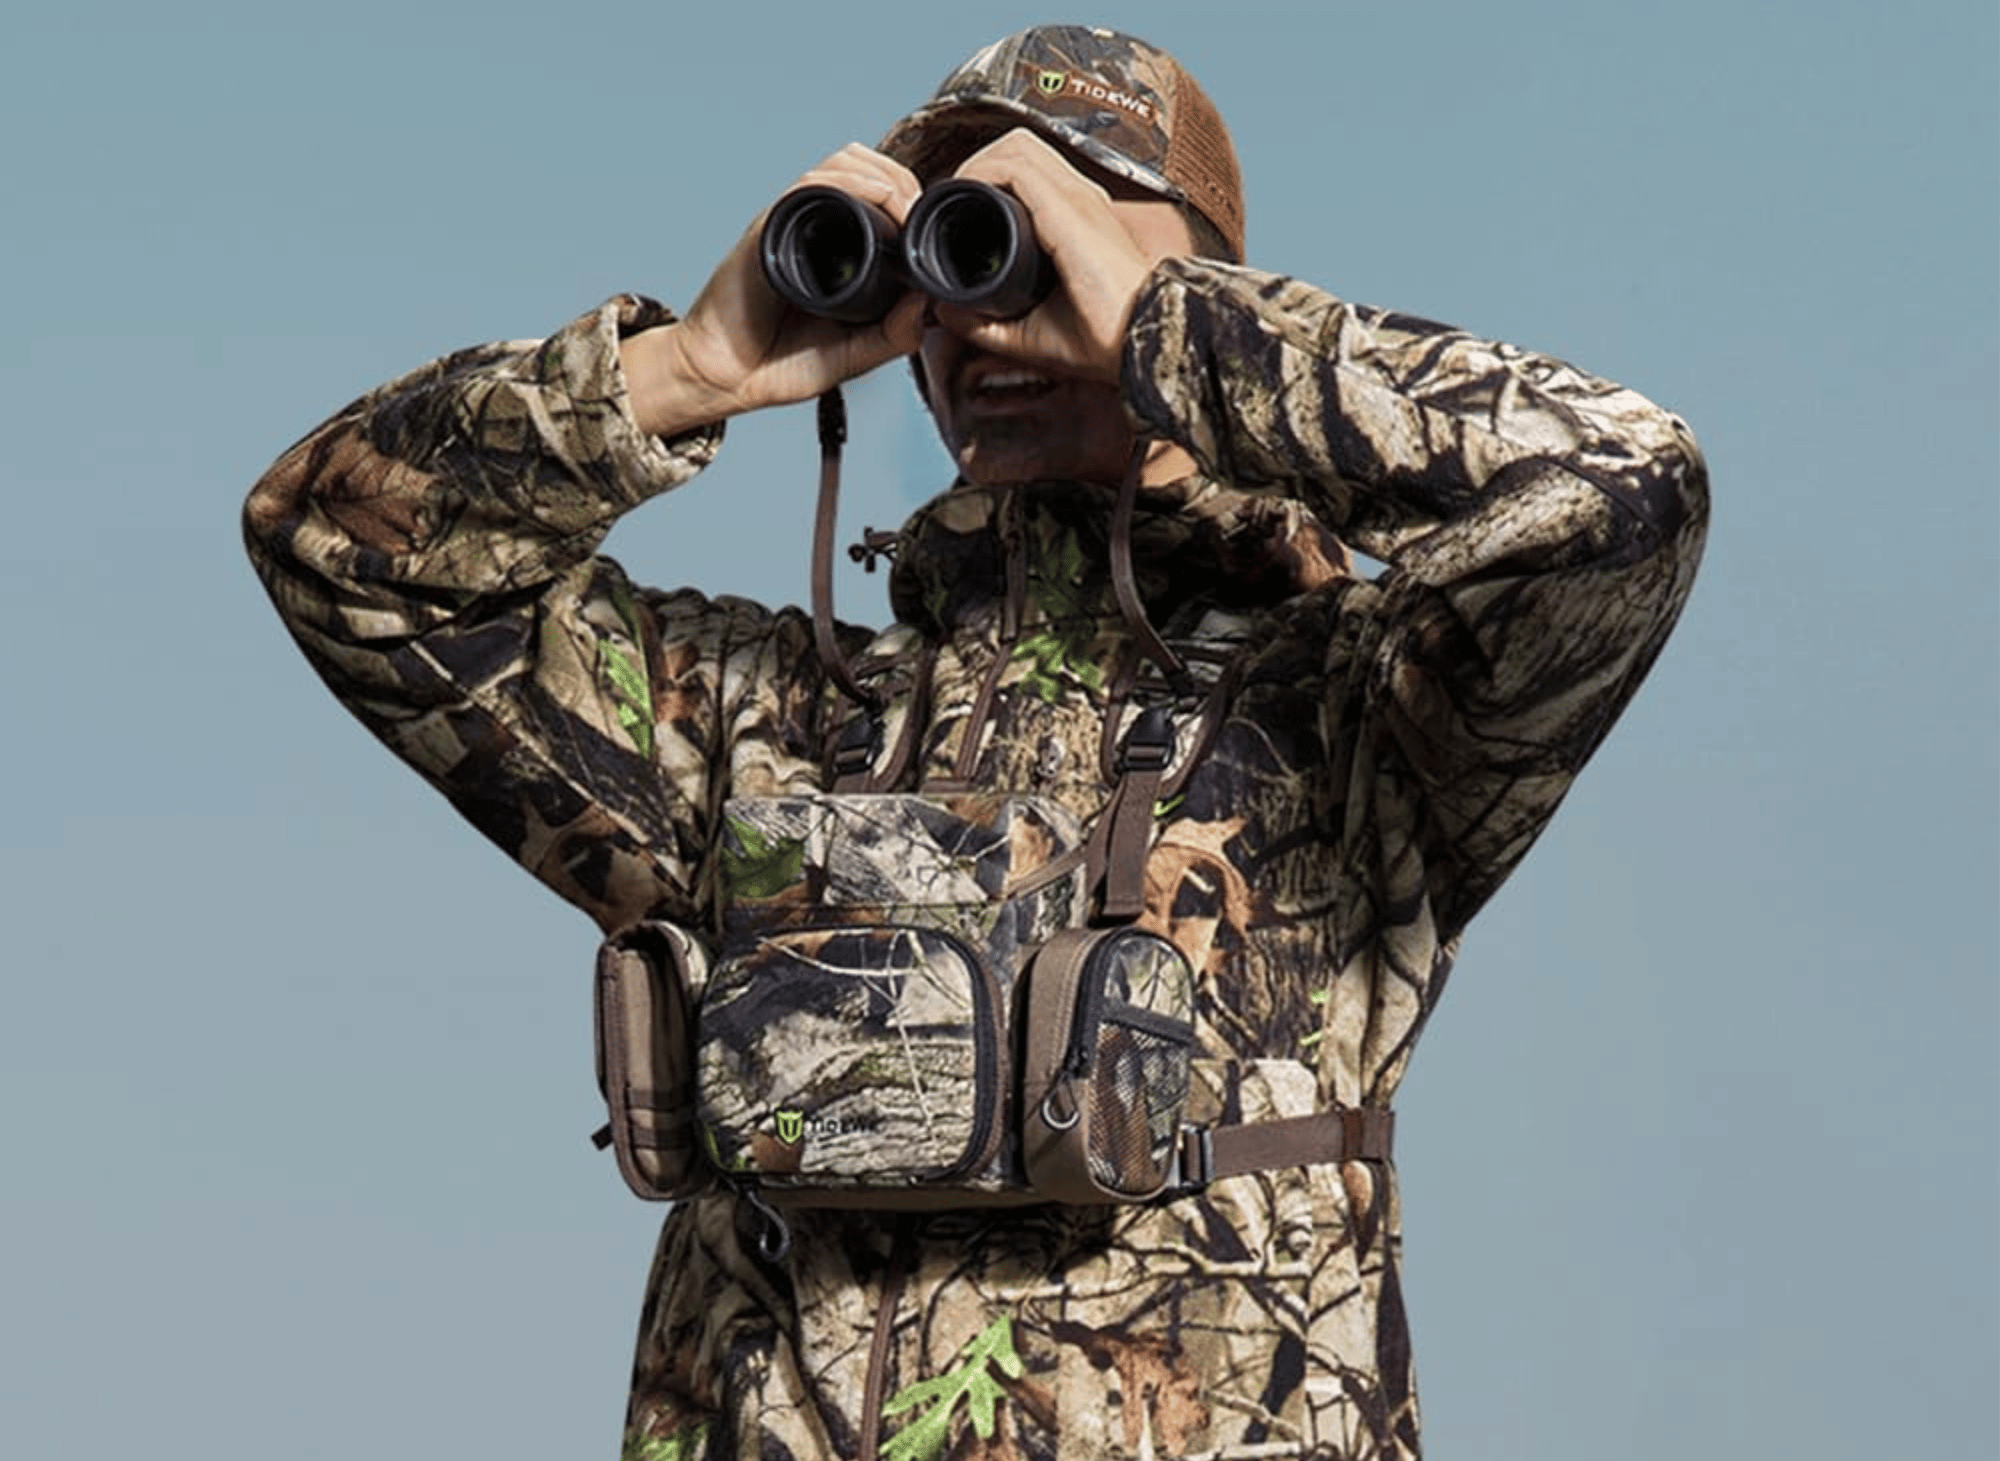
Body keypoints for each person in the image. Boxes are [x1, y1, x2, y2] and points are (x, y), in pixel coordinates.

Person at [244, 23, 1707, 1461]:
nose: (987, 312)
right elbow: (339, 548)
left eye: (1049, 235)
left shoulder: (1352, 710)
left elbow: (1626, 485)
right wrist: (683, 366)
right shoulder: (770, 723)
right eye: (950, 248)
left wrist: (1172, 335)